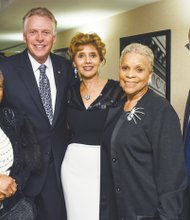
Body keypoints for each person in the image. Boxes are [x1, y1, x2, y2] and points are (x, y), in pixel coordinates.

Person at [0, 7, 76, 220]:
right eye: (33, 32)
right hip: (18, 178)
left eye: (45, 32)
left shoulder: (66, 68)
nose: (39, 38)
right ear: (24, 36)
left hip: (58, 174)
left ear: (54, 36)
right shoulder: (5, 69)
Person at [101, 43, 188, 220]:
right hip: (118, 210)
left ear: (150, 75)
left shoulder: (161, 111)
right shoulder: (117, 107)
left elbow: (172, 176)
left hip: (147, 212)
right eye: (125, 68)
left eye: (139, 69)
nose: (130, 74)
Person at [60, 32, 123, 220]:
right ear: (74, 61)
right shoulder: (68, 92)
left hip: (103, 165)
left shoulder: (117, 90)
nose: (87, 61)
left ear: (101, 59)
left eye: (93, 55)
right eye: (81, 56)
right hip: (72, 168)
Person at [0, 72, 41, 219]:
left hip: (13, 209)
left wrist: (11, 187)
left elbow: (24, 162)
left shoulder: (9, 118)